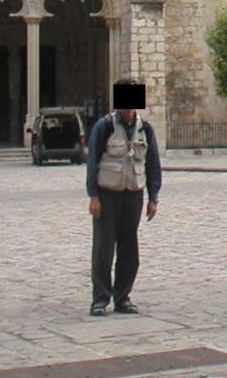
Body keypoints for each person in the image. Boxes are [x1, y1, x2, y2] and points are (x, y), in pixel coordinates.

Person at [86, 77, 162, 316]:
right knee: (104, 248)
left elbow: (153, 164)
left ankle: (122, 297)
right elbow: (93, 161)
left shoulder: (145, 129)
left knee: (129, 249)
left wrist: (153, 197)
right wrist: (93, 196)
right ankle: (100, 299)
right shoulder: (105, 126)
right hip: (108, 194)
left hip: (133, 195)